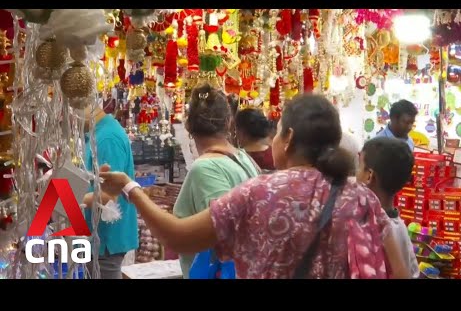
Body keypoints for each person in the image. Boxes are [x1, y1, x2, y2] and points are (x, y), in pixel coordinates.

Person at [97, 93, 410, 279]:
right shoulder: (362, 198)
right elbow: (399, 272)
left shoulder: (260, 192)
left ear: (287, 139)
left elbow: (178, 237)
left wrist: (130, 187)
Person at [173, 84, 258, 278]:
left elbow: (221, 232)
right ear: (229, 122)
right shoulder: (242, 158)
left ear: (188, 125)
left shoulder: (206, 169)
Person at [82, 102, 139, 279]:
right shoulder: (98, 133)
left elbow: (109, 195)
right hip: (99, 240)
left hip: (105, 242)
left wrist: (68, 198)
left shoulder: (106, 139)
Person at [356, 137, 419, 278]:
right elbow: (413, 271)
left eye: (359, 167)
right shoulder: (400, 227)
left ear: (369, 176)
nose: (356, 175)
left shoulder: (369, 229)